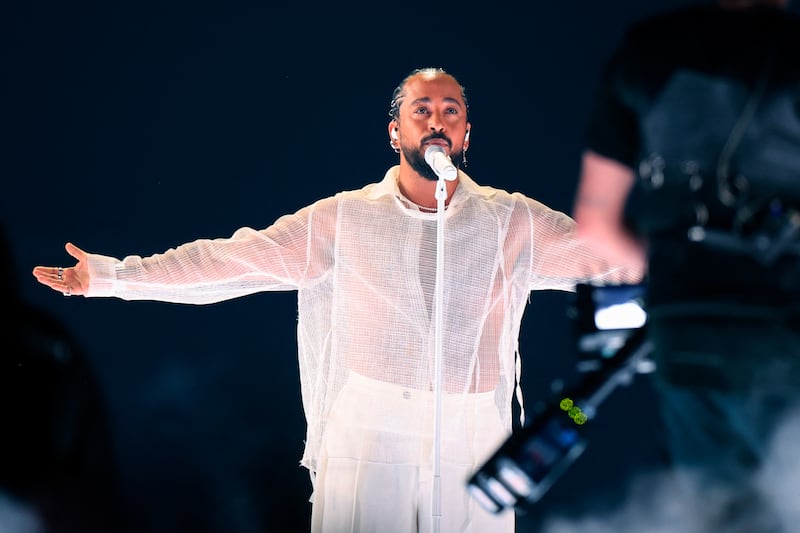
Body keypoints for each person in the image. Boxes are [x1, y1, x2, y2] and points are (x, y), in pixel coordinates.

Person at [33, 67, 639, 533]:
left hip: (474, 434)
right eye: (421, 109)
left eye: (450, 111)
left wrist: (683, 262)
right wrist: (113, 276)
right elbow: (232, 262)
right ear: (395, 131)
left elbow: (612, 263)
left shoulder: (512, 221)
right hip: (371, 434)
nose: (436, 120)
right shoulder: (343, 219)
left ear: (465, 134)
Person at [572, 1, 800, 531]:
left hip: (685, 335)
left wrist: (677, 273)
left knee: (716, 514)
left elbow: (596, 224)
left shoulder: (645, 53)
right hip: (784, 332)